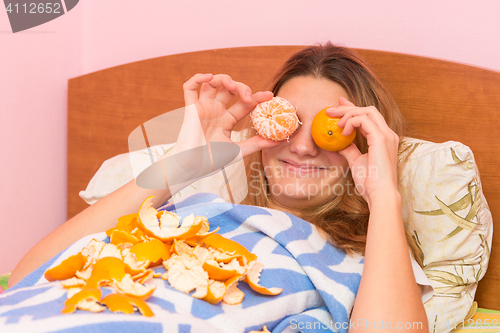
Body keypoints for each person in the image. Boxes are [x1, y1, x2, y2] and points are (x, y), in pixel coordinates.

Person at [9, 42, 428, 331]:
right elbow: (29, 279)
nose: (302, 147)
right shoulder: (190, 212)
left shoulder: (365, 260)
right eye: (290, 121)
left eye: (330, 128)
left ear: (364, 142)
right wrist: (181, 167)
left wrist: (383, 195)